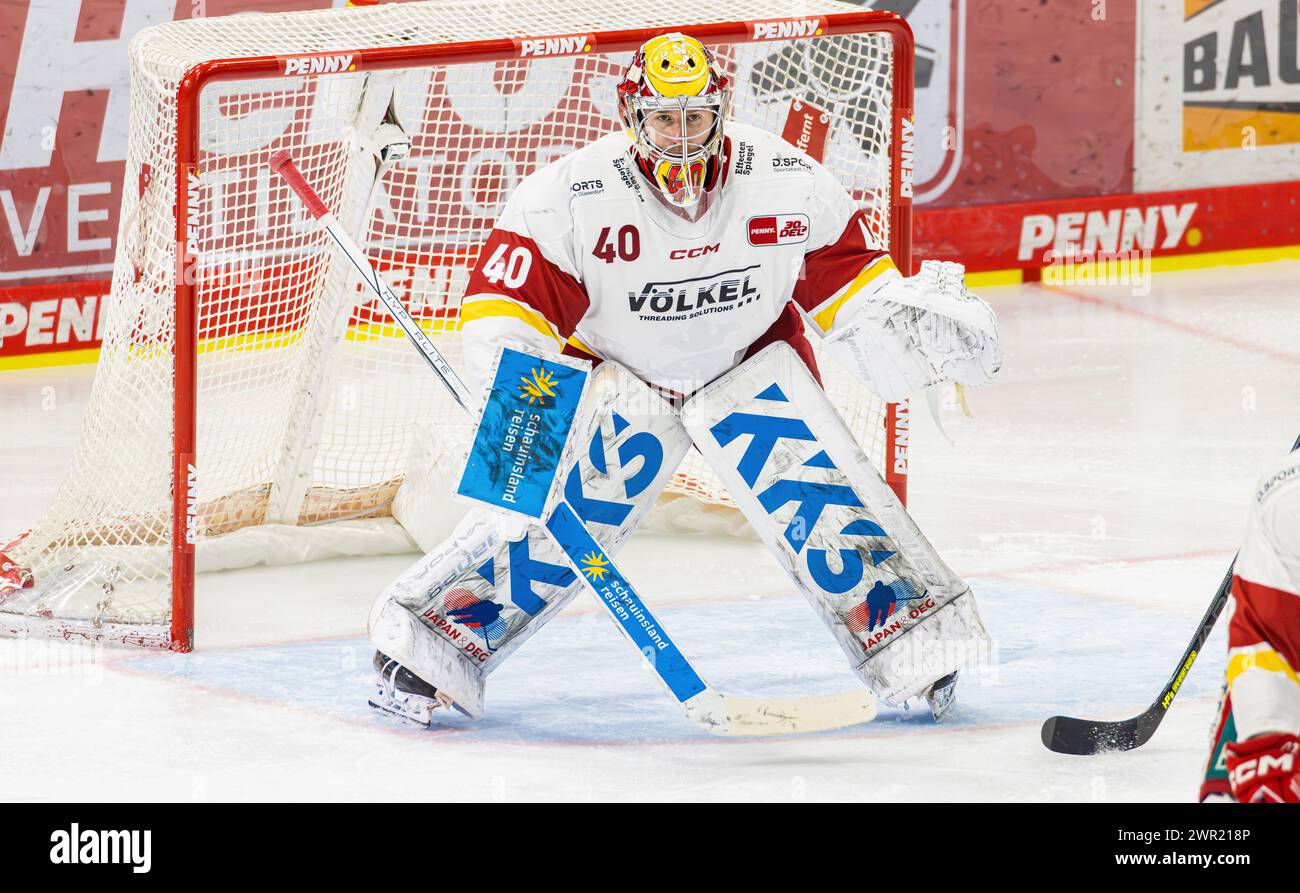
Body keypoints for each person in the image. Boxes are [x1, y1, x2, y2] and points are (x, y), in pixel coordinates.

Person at [369, 33, 1001, 726]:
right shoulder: (569, 196)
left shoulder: (786, 179)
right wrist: (528, 433)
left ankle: (914, 646)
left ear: (719, 112)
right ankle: (425, 648)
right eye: (664, 119)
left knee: (818, 497)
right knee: (549, 514)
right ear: (631, 114)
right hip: (622, 376)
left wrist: (916, 329)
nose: (680, 136)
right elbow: (507, 316)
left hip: (745, 363)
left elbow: (852, 289)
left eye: (694, 118)